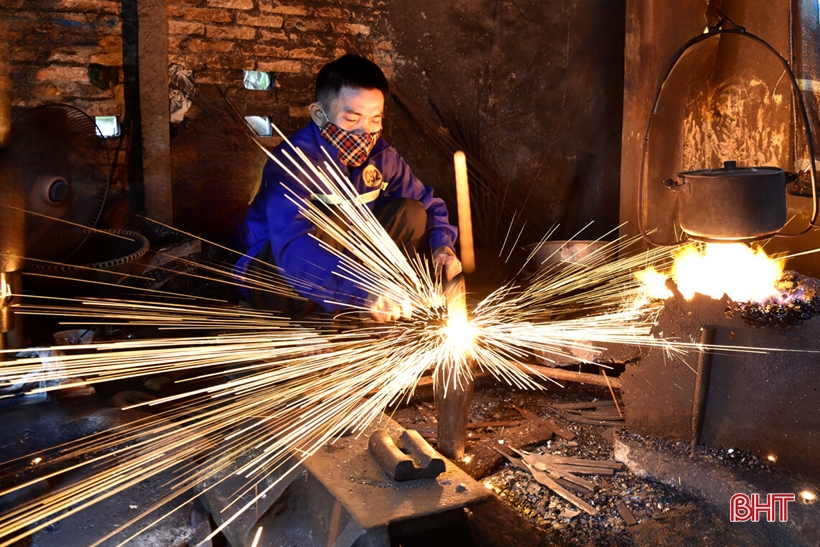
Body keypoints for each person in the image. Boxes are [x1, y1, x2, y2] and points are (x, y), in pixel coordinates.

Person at [236, 54, 461, 321]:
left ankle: (364, 305)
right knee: (335, 219)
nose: (364, 133)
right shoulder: (292, 163)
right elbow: (293, 248)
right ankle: (322, 316)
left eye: (375, 120)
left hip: (344, 273)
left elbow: (427, 205)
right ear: (319, 114)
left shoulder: (382, 157)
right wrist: (362, 289)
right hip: (278, 277)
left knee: (410, 213)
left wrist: (442, 247)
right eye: (352, 118)